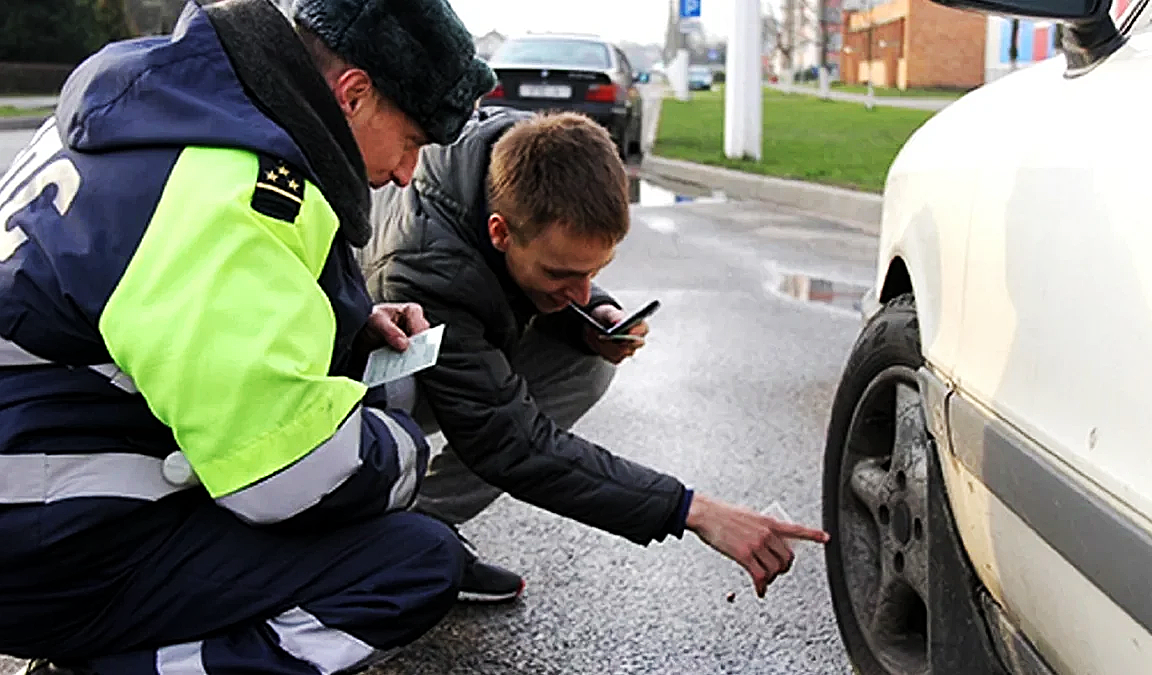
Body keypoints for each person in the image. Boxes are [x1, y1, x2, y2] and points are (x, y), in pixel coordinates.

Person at [0, 0, 498, 672]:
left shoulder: (165, 111)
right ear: (353, 95)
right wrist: (404, 447)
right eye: (412, 142)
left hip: (36, 482)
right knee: (409, 561)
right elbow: (284, 476)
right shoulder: (238, 195)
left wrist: (346, 324)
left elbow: (151, 300)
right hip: (46, 546)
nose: (408, 173)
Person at [360, 108, 830, 605]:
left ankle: (421, 524)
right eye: (563, 273)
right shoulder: (423, 264)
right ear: (500, 232)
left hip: (456, 322)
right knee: (445, 406)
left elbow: (542, 273)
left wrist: (595, 314)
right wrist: (694, 511)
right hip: (362, 377)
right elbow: (510, 444)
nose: (581, 291)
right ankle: (363, 538)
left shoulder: (531, 156)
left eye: (594, 271)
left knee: (583, 361)